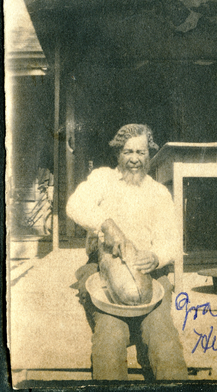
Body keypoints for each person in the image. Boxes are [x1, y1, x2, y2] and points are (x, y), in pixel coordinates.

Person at [66, 123, 188, 381]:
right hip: (104, 271)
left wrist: (156, 257)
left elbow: (173, 241)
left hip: (149, 273)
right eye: (128, 152)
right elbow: (74, 205)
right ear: (118, 153)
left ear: (150, 154)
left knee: (162, 335)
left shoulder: (158, 192)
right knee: (110, 334)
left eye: (141, 153)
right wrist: (105, 224)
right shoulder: (102, 179)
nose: (134, 159)